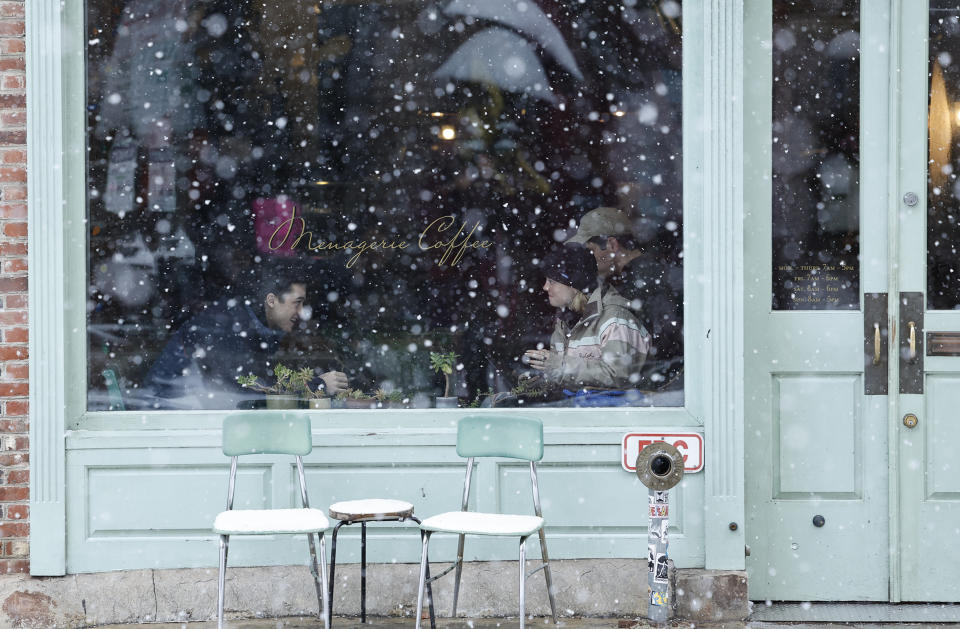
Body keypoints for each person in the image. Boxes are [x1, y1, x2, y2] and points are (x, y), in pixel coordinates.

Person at [143, 260, 349, 408]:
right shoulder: (224, 327)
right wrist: (318, 385)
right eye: (297, 303)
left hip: (199, 415)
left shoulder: (248, 324)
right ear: (271, 301)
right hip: (173, 419)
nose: (302, 311)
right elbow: (248, 390)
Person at [565, 206, 683, 387]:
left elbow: (657, 348)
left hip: (657, 390)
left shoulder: (642, 282)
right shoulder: (642, 274)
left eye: (591, 250)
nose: (588, 258)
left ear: (612, 245)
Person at [523, 244, 651, 390]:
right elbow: (569, 379)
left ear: (574, 284)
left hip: (610, 412)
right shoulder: (565, 321)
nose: (545, 287)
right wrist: (541, 382)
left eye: (552, 281)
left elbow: (618, 376)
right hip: (580, 410)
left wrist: (559, 365)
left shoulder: (615, 319)